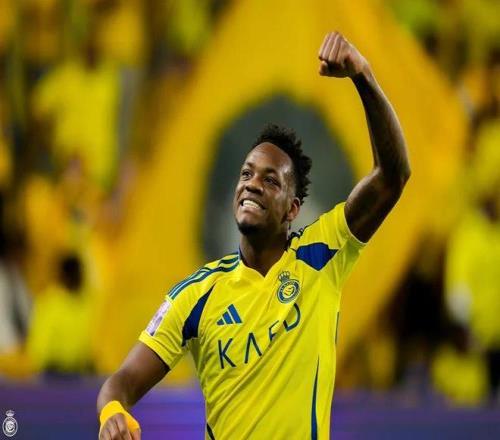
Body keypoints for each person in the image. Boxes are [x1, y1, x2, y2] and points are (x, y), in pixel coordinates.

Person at [97, 31, 411, 440]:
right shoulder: (197, 295)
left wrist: (362, 75)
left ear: (293, 209)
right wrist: (113, 413)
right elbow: (120, 383)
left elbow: (392, 176)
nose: (252, 184)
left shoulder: (322, 253)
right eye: (246, 174)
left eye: (270, 180)